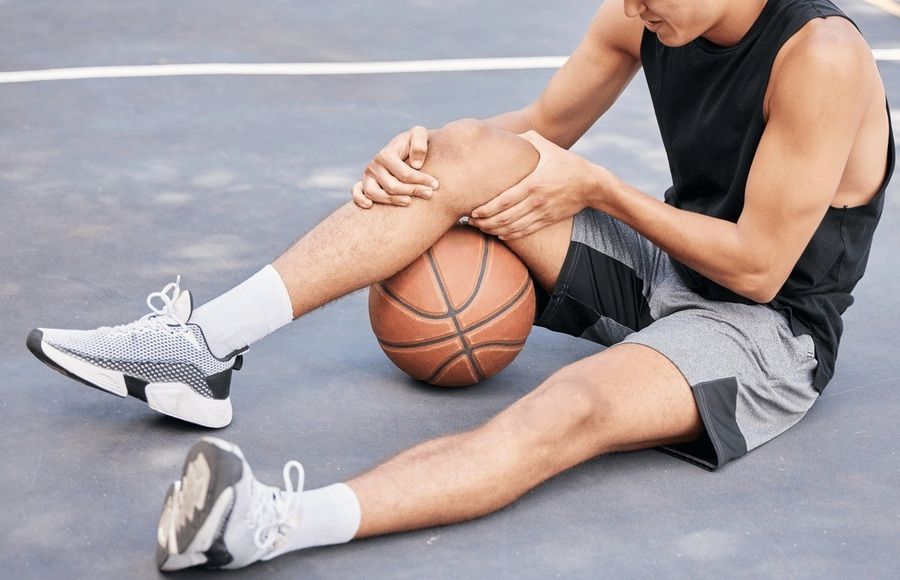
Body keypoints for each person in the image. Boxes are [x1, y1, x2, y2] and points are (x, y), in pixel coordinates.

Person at [26, 0, 893, 572]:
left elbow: (757, 266)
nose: (630, 7)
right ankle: (200, 349)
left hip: (765, 329)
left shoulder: (819, 56)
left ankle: (268, 522)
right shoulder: (646, 12)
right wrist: (431, 154)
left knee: (571, 408)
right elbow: (543, 128)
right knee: (463, 155)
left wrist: (600, 189)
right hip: (669, 267)